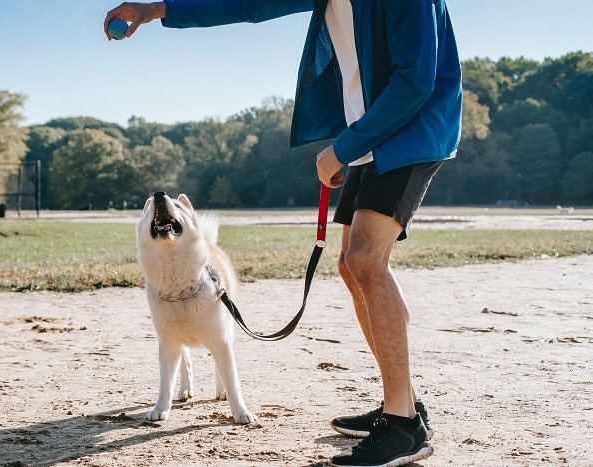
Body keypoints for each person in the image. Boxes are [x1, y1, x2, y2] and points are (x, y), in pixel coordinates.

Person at [104, 1, 462, 466]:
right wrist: (158, 9)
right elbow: (248, 2)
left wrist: (345, 147)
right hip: (372, 131)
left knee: (366, 261)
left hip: (412, 128)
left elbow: (416, 80)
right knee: (351, 268)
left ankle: (404, 427)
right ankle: (404, 403)